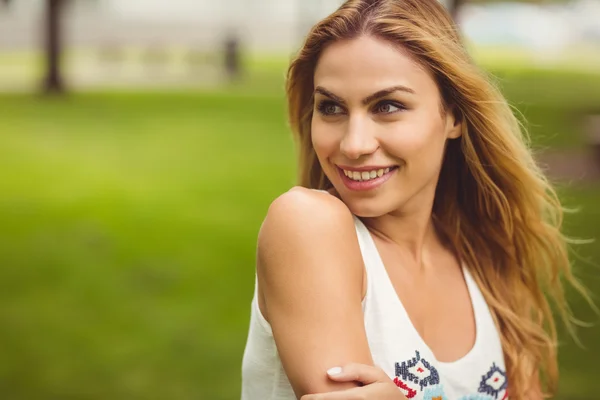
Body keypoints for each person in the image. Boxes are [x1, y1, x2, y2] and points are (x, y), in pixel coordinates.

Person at [241, 0, 589, 399]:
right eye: (332, 107)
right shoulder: (307, 225)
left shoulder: (485, 252)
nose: (354, 144)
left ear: (453, 116)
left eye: (387, 106)